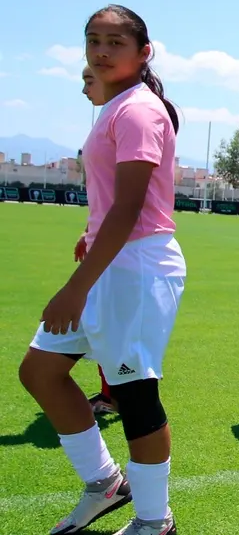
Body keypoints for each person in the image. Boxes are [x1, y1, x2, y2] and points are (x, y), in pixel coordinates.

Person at [20, 4, 184, 535]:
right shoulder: (117, 108)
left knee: (135, 394)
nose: (102, 51)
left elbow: (131, 207)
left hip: (136, 268)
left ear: (144, 52)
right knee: (40, 371)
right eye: (94, 40)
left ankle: (154, 521)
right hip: (113, 260)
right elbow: (114, 199)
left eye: (116, 42)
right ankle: (105, 482)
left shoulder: (138, 110)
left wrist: (76, 287)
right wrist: (89, 235)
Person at [77, 65, 118, 417]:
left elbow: (129, 198)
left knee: (106, 327)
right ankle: (112, 394)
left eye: (89, 81)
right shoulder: (108, 118)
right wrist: (88, 233)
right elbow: (106, 196)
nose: (85, 90)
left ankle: (117, 395)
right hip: (106, 241)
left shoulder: (129, 116)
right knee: (103, 326)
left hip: (122, 248)